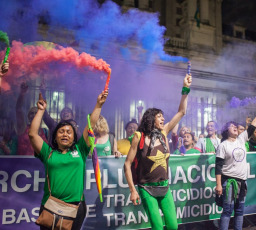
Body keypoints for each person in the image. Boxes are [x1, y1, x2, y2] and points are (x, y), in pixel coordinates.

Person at [29, 89, 108, 230]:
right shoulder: (47, 152)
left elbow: (91, 124)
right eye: (61, 131)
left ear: (73, 137)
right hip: (50, 207)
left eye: (69, 132)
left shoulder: (80, 150)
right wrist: (41, 110)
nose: (65, 134)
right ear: (55, 136)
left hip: (76, 208)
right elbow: (33, 134)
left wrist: (98, 105)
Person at [124, 73, 192, 230]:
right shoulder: (138, 136)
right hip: (146, 188)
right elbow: (127, 165)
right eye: (159, 116)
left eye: (163, 116)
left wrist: (185, 89)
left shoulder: (164, 131)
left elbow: (181, 111)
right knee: (157, 227)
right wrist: (133, 190)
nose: (163, 119)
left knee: (173, 227)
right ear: (151, 119)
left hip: (164, 187)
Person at [215, 101, 256, 230]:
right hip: (228, 182)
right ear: (226, 130)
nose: (235, 127)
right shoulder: (223, 145)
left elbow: (253, 125)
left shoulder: (241, 139)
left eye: (235, 125)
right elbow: (218, 166)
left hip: (242, 182)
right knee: (227, 211)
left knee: (240, 211)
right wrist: (218, 185)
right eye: (231, 126)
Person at [16, 82, 48, 155]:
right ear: (28, 116)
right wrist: (22, 95)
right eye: (31, 113)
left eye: (36, 113)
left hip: (39, 164)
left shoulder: (45, 131)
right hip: (22, 164)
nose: (34, 115)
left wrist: (43, 93)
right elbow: (18, 109)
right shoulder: (23, 128)